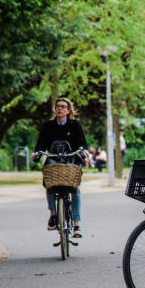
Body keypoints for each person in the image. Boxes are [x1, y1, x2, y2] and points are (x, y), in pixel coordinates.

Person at [32, 97, 88, 238]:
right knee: (49, 184)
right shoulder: (48, 126)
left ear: (68, 110)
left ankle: (76, 224)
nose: (60, 109)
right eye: (58, 106)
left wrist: (83, 151)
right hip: (53, 161)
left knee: (75, 189)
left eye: (63, 106)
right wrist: (36, 154)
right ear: (55, 109)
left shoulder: (74, 125)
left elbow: (82, 144)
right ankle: (53, 215)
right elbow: (40, 145)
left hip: (70, 160)